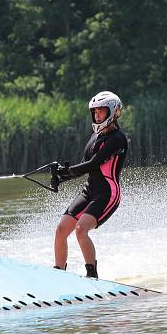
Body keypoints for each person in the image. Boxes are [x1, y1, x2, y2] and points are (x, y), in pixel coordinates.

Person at [53, 91, 129, 278]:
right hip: (89, 191)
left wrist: (67, 170)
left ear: (113, 112)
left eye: (101, 112)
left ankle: (92, 274)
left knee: (81, 229)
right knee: (61, 230)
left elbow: (94, 164)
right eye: (95, 112)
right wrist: (61, 177)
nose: (97, 115)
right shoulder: (94, 138)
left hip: (108, 193)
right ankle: (58, 273)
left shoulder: (118, 139)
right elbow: (83, 165)